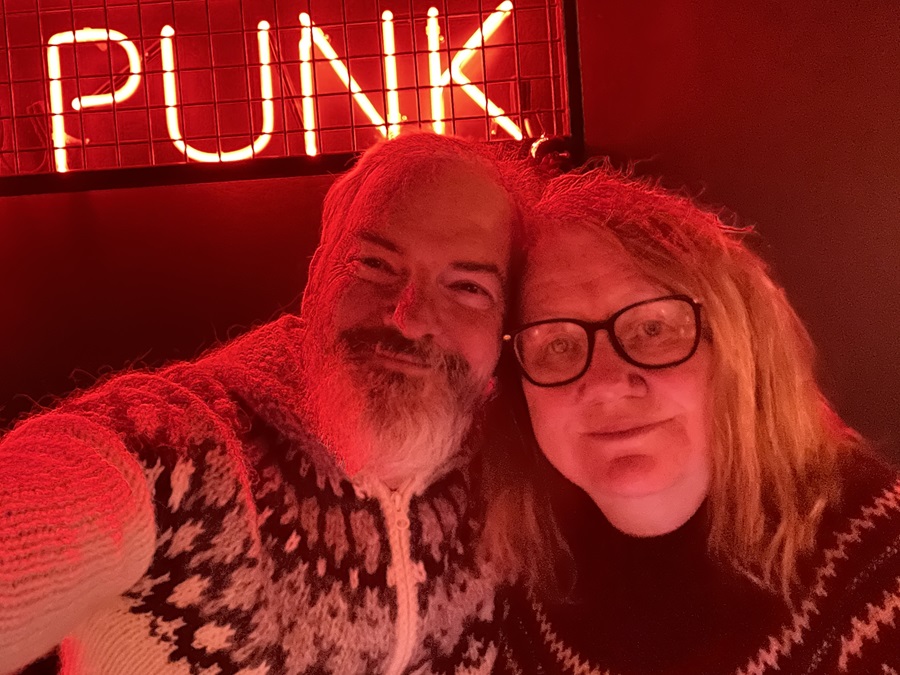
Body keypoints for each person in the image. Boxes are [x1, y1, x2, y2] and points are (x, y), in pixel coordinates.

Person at [0, 132, 521, 674]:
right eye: (374, 263)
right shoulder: (180, 442)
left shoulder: (516, 476)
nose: (409, 319)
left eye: (468, 288)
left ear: (505, 325)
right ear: (316, 276)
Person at [485, 166, 900, 674]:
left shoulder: (878, 565)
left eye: (653, 328)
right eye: (558, 344)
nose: (606, 382)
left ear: (740, 345)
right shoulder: (502, 582)